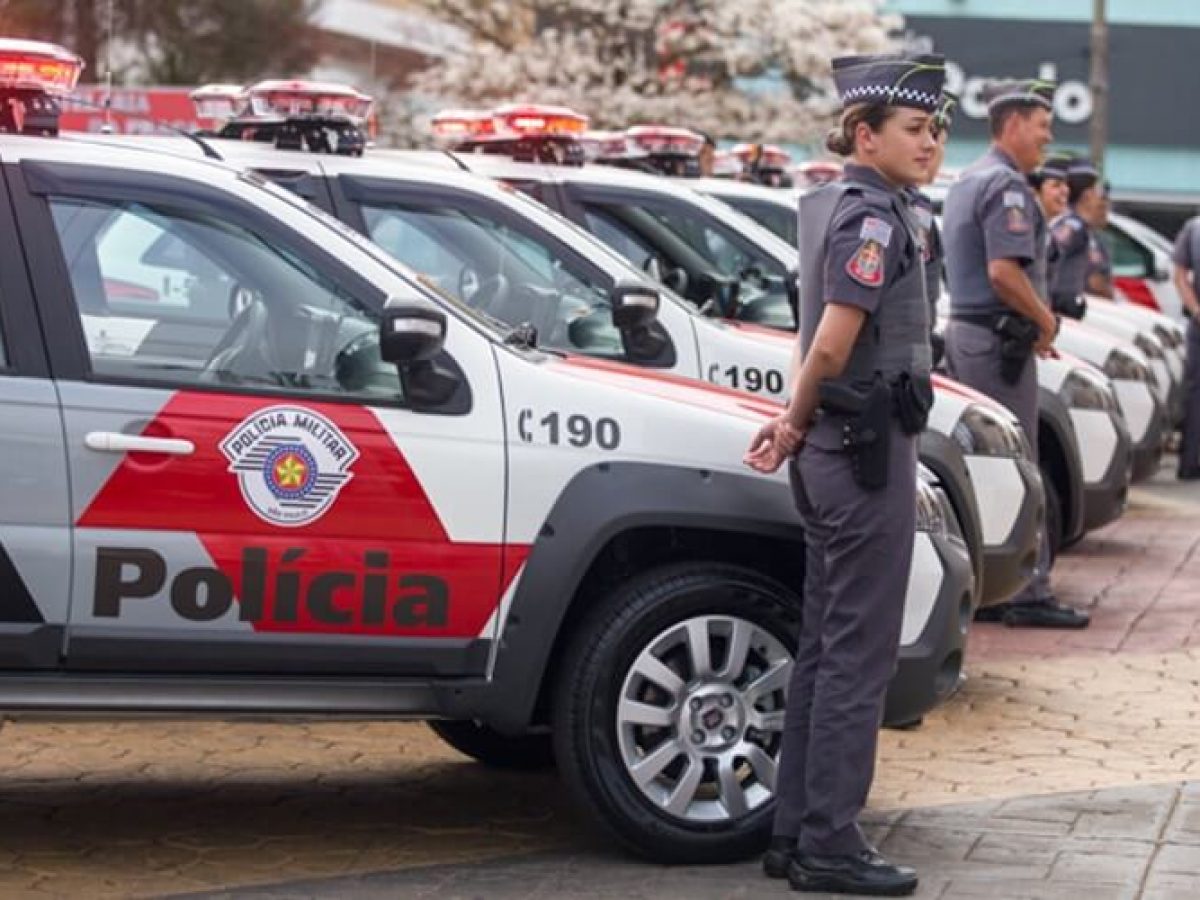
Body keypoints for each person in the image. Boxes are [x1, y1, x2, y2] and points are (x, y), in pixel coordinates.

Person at [746, 51, 945, 897]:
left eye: (936, 128)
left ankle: (797, 833)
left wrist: (799, 429)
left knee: (826, 651)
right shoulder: (874, 218)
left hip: (837, 449)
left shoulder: (849, 203)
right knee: (857, 657)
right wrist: (791, 425)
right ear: (864, 135)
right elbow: (831, 341)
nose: (930, 142)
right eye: (913, 128)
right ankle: (831, 844)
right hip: (858, 454)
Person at [942, 78, 1090, 629]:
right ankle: (1026, 591)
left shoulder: (966, 179)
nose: (1047, 141)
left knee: (983, 464)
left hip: (973, 335)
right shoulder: (1005, 186)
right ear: (1012, 124)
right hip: (998, 344)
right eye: (1042, 128)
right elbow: (1003, 272)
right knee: (1016, 464)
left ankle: (993, 585)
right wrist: (1044, 319)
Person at [1047, 157, 1104, 319]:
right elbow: (1051, 255)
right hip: (1063, 305)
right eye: (1096, 191)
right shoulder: (1074, 226)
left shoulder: (1075, 224)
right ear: (1087, 195)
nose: (1099, 198)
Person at [1171, 216, 1200, 479]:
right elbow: (1179, 274)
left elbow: (1180, 275)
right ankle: (1191, 461)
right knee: (1194, 395)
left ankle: (1191, 462)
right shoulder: (1194, 229)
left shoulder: (1193, 228)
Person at [1083, 180, 1115, 298]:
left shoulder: (1099, 238)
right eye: (1101, 208)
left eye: (1107, 207)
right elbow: (1095, 282)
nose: (1105, 213)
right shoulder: (1080, 235)